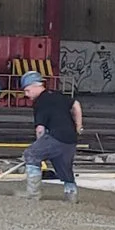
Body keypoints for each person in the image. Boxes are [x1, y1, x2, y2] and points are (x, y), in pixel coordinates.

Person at [18, 71, 82, 203]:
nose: (26, 94)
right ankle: (71, 197)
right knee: (63, 166)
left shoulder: (40, 102)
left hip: (55, 136)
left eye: (27, 90)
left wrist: (39, 145)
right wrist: (78, 127)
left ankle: (33, 195)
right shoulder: (57, 95)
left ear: (36, 86)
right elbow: (76, 104)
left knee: (31, 154)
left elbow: (40, 128)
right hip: (71, 138)